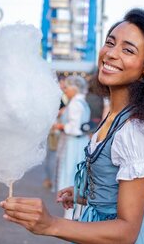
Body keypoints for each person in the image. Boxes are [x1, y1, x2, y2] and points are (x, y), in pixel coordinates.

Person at [0, 8, 144, 243]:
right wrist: (86, 193)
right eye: (110, 43)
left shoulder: (136, 130)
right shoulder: (114, 115)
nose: (111, 53)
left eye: (128, 50)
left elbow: (126, 233)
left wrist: (51, 225)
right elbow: (121, 183)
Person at [53, 75, 91, 219]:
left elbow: (74, 128)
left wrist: (59, 125)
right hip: (77, 143)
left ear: (74, 88)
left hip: (73, 144)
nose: (65, 90)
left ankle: (70, 213)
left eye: (67, 88)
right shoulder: (80, 102)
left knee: (70, 174)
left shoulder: (75, 103)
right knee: (75, 175)